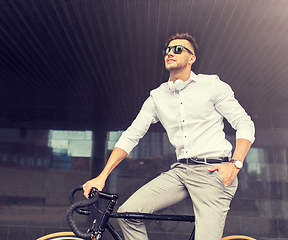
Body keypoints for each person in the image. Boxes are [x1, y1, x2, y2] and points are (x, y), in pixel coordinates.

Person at [83, 32, 255, 240]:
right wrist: (102, 177)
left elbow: (244, 123)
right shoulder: (157, 97)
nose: (170, 53)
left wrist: (235, 164)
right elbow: (131, 135)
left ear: (192, 58)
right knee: (128, 214)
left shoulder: (212, 86)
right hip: (181, 171)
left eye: (178, 49)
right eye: (167, 50)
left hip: (213, 173)